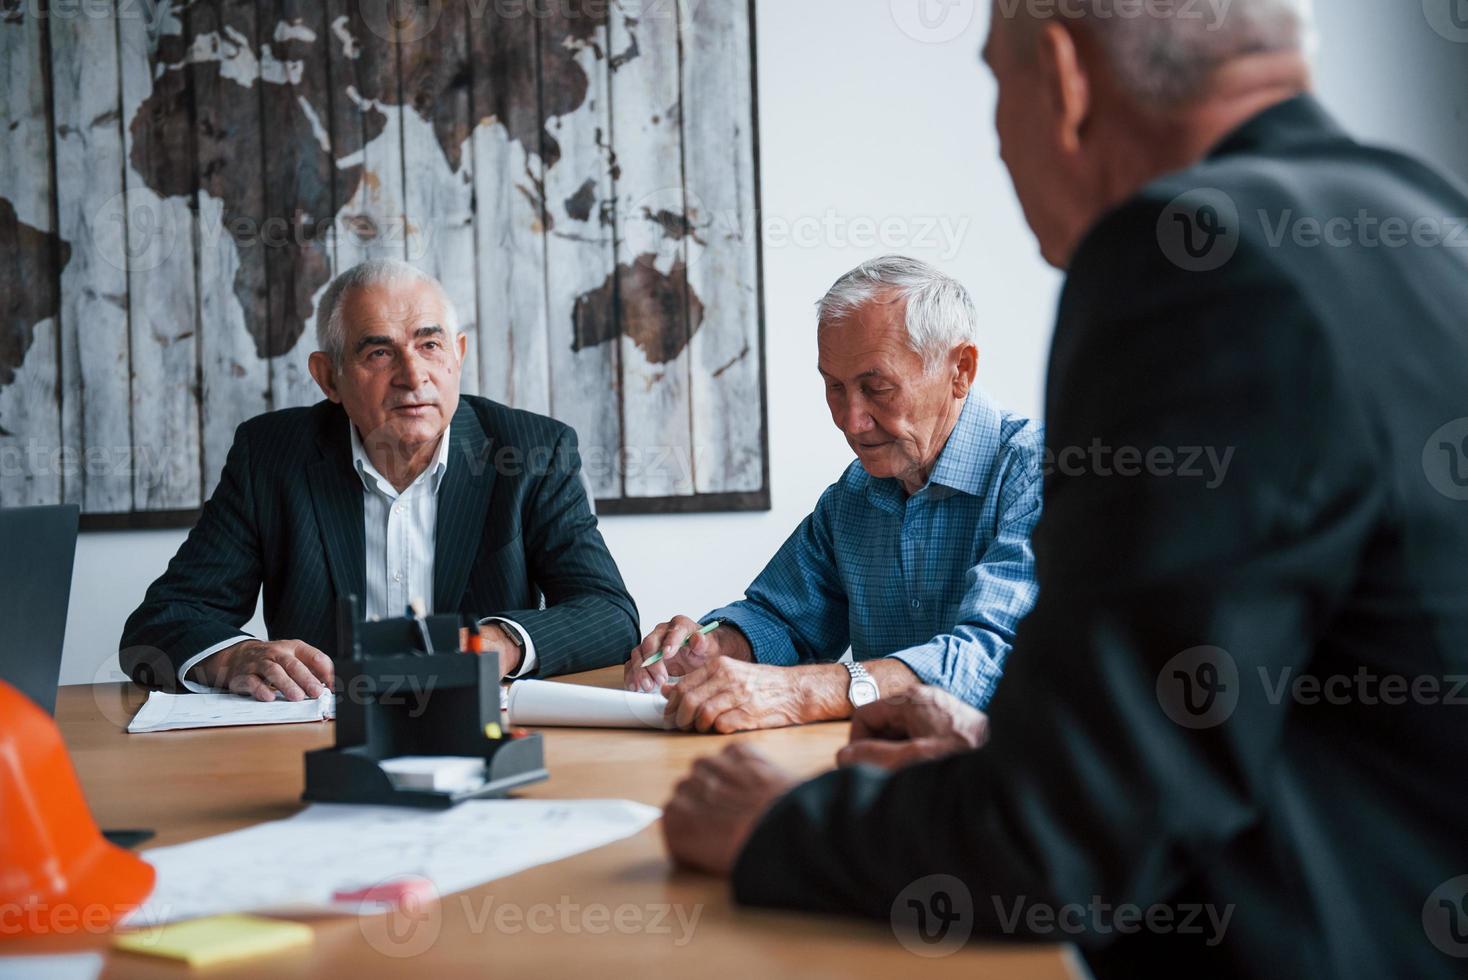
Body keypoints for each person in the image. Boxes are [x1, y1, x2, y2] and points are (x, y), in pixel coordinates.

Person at [659, 2, 1468, 978]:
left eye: (995, 84)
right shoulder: (1426, 218)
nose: (851, 416)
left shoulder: (1191, 257)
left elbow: (1067, 832)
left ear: (1062, 74)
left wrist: (780, 824)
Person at [121, 259, 638, 699]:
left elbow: (610, 616)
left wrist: (498, 644)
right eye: (379, 352)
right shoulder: (271, 457)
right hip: (319, 743)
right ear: (329, 378)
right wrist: (233, 657)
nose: (413, 376)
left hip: (482, 737)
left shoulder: (532, 452)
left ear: (458, 356)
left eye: (430, 346)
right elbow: (161, 621)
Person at [625, 256, 1043, 732]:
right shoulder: (854, 493)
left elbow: (995, 655)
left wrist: (808, 690)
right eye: (834, 387)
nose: (851, 420)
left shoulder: (1040, 472)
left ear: (960, 370)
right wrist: (711, 650)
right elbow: (783, 618)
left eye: (877, 387)